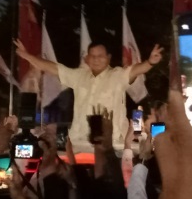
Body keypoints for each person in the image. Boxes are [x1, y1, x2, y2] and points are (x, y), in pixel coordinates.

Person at [15, 39, 163, 143]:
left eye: (100, 56)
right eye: (92, 56)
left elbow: (136, 70)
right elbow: (52, 67)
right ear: (87, 58)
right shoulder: (79, 76)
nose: (96, 59)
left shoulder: (118, 75)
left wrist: (150, 62)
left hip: (111, 144)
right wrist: (26, 56)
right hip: (79, 142)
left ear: (108, 58)